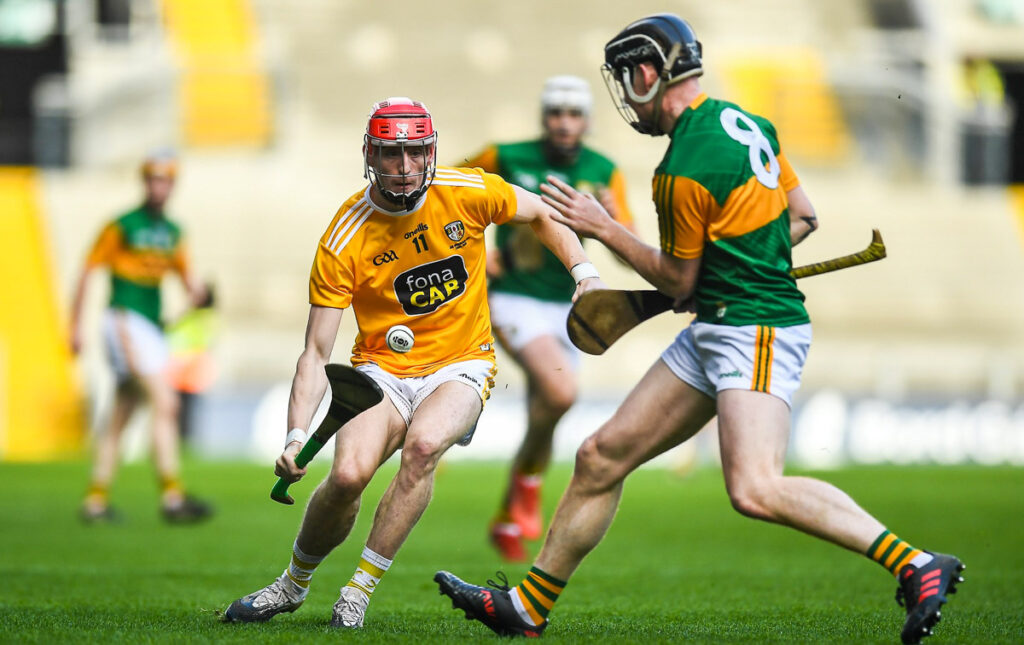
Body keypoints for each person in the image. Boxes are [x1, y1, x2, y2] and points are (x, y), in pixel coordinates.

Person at [434, 15, 965, 645]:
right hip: (720, 323)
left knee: (755, 487)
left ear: (650, 73)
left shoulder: (681, 167)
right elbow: (802, 218)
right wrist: (737, 263)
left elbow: (677, 282)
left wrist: (603, 227)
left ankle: (916, 564)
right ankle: (528, 606)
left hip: (755, 328)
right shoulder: (749, 125)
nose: (627, 93)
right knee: (600, 457)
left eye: (628, 77)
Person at [222, 97, 603, 629]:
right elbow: (315, 352)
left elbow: (540, 212)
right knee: (348, 476)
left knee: (423, 448)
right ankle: (292, 584)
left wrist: (584, 272)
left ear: (431, 152)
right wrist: (293, 435)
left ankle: (356, 592)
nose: (404, 166)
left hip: (462, 363)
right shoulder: (345, 235)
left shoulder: (466, 190)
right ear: (369, 155)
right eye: (391, 153)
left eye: (415, 152)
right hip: (380, 370)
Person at [461, 75, 635, 561]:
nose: (564, 122)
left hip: (572, 305)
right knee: (561, 392)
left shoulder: (605, 171)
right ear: (543, 117)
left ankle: (508, 517)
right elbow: (443, 196)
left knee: (546, 411)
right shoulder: (503, 156)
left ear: (587, 121)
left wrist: (614, 224)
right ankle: (530, 487)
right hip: (512, 297)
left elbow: (631, 249)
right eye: (556, 112)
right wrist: (474, 248)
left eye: (574, 114)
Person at [70, 149, 213, 524]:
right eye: (153, 179)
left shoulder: (174, 233)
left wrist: (197, 297)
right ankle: (172, 496)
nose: (158, 187)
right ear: (144, 181)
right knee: (165, 402)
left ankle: (95, 500)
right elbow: (87, 272)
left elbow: (189, 285)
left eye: (165, 180)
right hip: (124, 320)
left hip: (149, 326)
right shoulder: (122, 225)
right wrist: (74, 327)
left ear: (173, 185)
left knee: (122, 413)